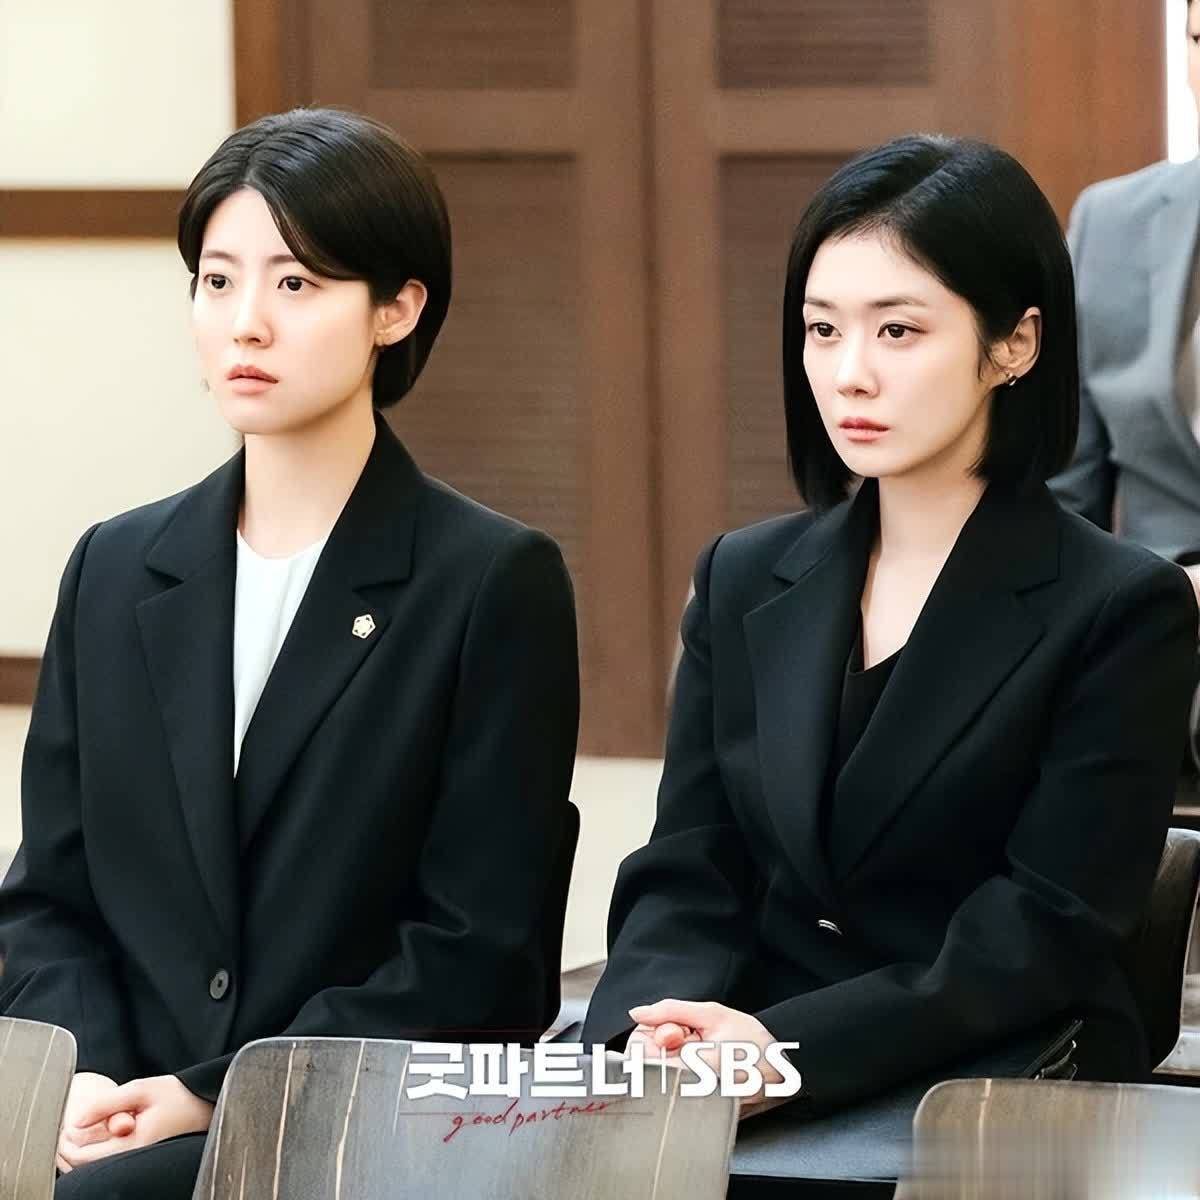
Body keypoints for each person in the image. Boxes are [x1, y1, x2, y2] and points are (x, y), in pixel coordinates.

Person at [0, 107, 580, 1197]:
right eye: (217, 282)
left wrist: (214, 1092)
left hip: (351, 1127)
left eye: (297, 284)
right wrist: (87, 1075)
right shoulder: (116, 569)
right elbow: (47, 899)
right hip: (112, 1112)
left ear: (397, 308)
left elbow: (481, 948)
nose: (245, 325)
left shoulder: (490, 581)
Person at [581, 135, 1198, 1118]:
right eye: (822, 330)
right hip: (737, 1061)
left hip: (980, 1081)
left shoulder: (1123, 606)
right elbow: (689, 865)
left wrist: (787, 1053)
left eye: (899, 331)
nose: (850, 374)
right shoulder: (741, 576)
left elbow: (1045, 928)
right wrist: (650, 1032)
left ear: (1014, 344)